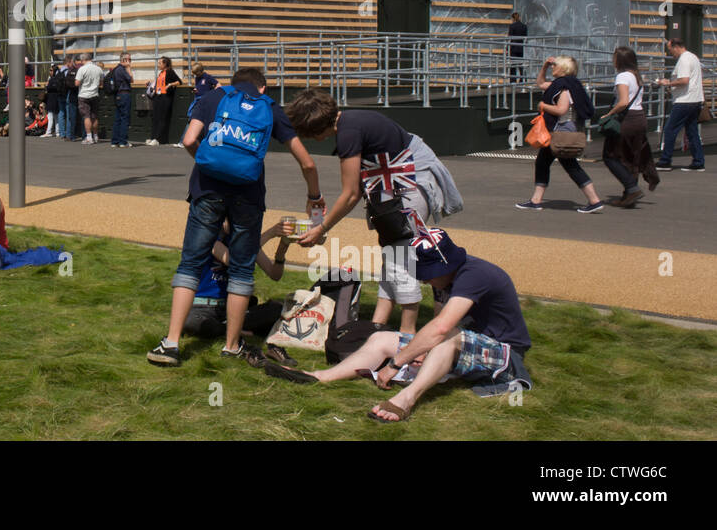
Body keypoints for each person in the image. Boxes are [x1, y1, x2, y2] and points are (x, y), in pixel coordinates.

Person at [148, 66, 322, 368]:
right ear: (263, 88)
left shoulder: (213, 97)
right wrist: (314, 198)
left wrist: (207, 162)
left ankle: (171, 345)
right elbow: (307, 162)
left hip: (206, 191)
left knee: (190, 261)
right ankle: (231, 346)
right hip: (249, 195)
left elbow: (189, 140)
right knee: (242, 270)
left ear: (232, 84)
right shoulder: (270, 108)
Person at [267, 229, 532, 425]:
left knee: (446, 336)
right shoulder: (447, 277)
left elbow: (442, 328)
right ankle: (323, 376)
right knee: (382, 338)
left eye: (426, 275)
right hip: (464, 345)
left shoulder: (475, 275)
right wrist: (422, 350)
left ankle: (406, 399)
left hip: (506, 355)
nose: (426, 282)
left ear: (443, 266)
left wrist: (396, 364)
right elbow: (437, 328)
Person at [287, 89, 464, 333]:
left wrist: (323, 227)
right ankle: (377, 325)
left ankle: (407, 332)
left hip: (410, 184)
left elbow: (350, 194)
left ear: (313, 127)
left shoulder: (348, 132)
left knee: (400, 259)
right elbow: (358, 185)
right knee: (392, 257)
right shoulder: (351, 122)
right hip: (403, 186)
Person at [184, 217, 298, 367]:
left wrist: (283, 247)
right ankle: (234, 329)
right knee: (192, 322)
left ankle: (233, 328)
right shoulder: (209, 237)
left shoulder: (246, 243)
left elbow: (275, 274)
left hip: (231, 310)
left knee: (276, 309)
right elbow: (236, 260)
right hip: (203, 309)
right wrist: (270, 233)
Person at [516, 56, 604, 213]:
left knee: (568, 164)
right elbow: (541, 83)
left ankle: (594, 200)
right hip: (563, 129)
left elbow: (561, 110)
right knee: (545, 162)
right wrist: (544, 66)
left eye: (555, 65)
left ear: (563, 68)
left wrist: (543, 106)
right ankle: (536, 200)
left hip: (562, 129)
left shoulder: (564, 87)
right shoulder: (566, 84)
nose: (552, 68)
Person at [600, 46, 659, 207]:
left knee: (610, 156)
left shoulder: (622, 77)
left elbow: (623, 101)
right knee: (631, 156)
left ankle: (631, 188)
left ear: (619, 60)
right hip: (639, 117)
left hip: (627, 119)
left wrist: (609, 114)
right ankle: (628, 195)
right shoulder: (636, 76)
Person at [655, 36, 705, 172]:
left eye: (670, 50)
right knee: (692, 131)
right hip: (695, 99)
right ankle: (698, 161)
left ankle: (665, 160)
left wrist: (668, 83)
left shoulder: (683, 60)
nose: (670, 53)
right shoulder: (693, 57)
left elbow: (684, 80)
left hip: (684, 101)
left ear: (676, 47)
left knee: (670, 129)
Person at [146, 56, 182, 146]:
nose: (158, 64)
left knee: (162, 118)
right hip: (158, 97)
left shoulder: (170, 72)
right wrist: (150, 84)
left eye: (160, 63)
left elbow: (179, 81)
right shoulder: (161, 73)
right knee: (155, 118)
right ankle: (153, 137)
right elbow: (159, 84)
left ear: (165, 64)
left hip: (166, 97)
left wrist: (170, 84)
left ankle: (158, 139)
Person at [75, 52, 104, 144]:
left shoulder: (82, 69)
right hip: (95, 94)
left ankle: (89, 137)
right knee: (94, 116)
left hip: (84, 95)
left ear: (83, 60)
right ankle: (95, 136)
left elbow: (77, 83)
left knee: (86, 116)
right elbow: (101, 83)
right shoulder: (99, 69)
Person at [109, 53, 134, 147]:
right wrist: (129, 68)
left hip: (118, 95)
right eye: (129, 60)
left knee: (118, 118)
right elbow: (131, 79)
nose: (130, 61)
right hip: (124, 94)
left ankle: (114, 141)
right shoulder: (122, 69)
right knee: (124, 118)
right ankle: (123, 141)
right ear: (124, 60)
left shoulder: (116, 69)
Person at [507, 12, 528, 82]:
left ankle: (513, 80)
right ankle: (522, 79)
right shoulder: (524, 26)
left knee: (513, 65)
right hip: (521, 47)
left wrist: (507, 47)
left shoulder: (512, 26)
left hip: (513, 47)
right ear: (519, 17)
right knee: (521, 64)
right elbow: (525, 37)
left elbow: (510, 37)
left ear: (513, 18)